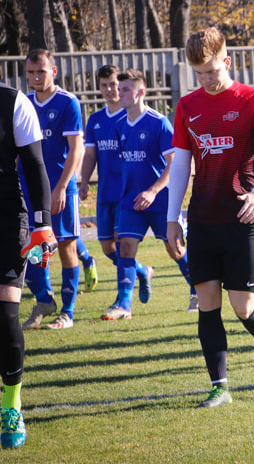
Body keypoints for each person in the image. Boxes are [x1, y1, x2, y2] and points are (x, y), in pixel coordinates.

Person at [167, 27, 254, 408]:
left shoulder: (253, 100)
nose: (206, 80)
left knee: (243, 307)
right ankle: (219, 386)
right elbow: (181, 165)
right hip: (202, 218)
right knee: (207, 303)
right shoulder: (187, 106)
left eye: (212, 71)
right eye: (199, 74)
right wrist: (173, 218)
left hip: (243, 219)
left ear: (226, 62)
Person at [101, 70, 194, 320]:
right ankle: (123, 305)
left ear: (141, 92)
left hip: (161, 200)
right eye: (119, 90)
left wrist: (153, 191)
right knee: (126, 247)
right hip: (131, 201)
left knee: (175, 250)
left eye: (126, 90)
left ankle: (197, 289)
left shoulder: (158, 122)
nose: (120, 94)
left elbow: (174, 163)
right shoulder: (120, 124)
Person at [0, 82, 58, 449]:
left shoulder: (12, 101)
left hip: (6, 218)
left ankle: (11, 406)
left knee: (5, 316)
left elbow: (35, 164)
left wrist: (43, 223)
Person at [19, 49, 84, 330]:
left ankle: (67, 312)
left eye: (41, 72)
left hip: (59, 189)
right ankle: (44, 300)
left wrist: (60, 188)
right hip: (28, 188)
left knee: (67, 245)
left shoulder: (68, 102)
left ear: (53, 71)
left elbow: (76, 150)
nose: (35, 77)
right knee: (30, 244)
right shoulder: (21, 103)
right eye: (31, 72)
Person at [79, 65, 154, 302]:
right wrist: (84, 181)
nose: (110, 90)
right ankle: (142, 270)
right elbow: (90, 154)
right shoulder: (96, 119)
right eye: (104, 85)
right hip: (105, 192)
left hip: (126, 192)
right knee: (107, 247)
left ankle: (123, 301)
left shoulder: (130, 115)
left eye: (114, 84)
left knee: (123, 246)